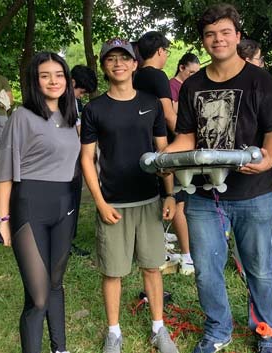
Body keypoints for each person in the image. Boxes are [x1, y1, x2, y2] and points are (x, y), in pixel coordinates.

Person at [163, 4, 272, 353]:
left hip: (256, 192)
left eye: (225, 32)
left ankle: (266, 333)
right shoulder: (193, 85)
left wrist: (268, 160)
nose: (218, 39)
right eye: (210, 34)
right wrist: (166, 159)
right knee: (205, 269)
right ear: (204, 41)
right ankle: (218, 330)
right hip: (203, 194)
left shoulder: (260, 80)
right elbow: (186, 136)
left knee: (258, 269)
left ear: (237, 36)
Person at [80, 37, 179, 353]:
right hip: (114, 204)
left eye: (125, 58)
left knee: (152, 267)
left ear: (135, 63)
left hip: (149, 200)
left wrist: (170, 195)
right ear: (105, 66)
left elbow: (163, 152)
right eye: (111, 59)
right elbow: (86, 159)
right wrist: (99, 202)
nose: (118, 63)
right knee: (113, 272)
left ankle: (158, 329)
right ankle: (113, 333)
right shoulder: (94, 108)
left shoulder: (150, 103)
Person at [0, 52, 79, 353]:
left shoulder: (72, 117)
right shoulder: (22, 116)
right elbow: (4, 171)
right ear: (35, 80)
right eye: (45, 75)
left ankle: (60, 348)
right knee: (39, 296)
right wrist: (3, 220)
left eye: (58, 74)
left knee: (55, 282)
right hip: (30, 206)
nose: (53, 81)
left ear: (67, 81)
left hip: (65, 206)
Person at [134, 31, 195, 275]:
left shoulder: (135, 76)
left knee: (154, 199)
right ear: (160, 51)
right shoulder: (157, 76)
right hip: (162, 145)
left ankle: (157, 248)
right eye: (166, 51)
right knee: (177, 201)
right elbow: (169, 115)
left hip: (141, 144)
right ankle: (187, 256)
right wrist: (188, 137)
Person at [237, 38, 272, 282]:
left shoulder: (267, 86)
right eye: (259, 59)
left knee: (268, 229)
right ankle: (247, 269)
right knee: (244, 233)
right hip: (236, 177)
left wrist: (269, 159)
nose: (261, 64)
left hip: (265, 171)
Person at [69, 65, 98, 257]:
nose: (80, 95)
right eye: (80, 91)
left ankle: (68, 239)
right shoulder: (56, 102)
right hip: (61, 162)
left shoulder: (75, 103)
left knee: (73, 199)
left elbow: (79, 129)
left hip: (74, 156)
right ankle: (63, 241)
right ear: (72, 83)